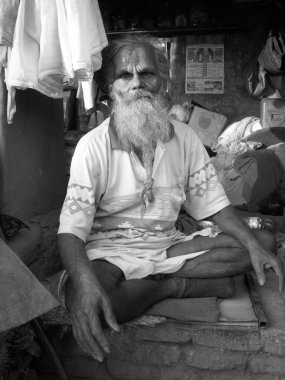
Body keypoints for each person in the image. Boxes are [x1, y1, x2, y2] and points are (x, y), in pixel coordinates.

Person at [57, 34, 284, 362]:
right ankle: (173, 285)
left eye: (147, 73)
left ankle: (159, 282)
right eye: (125, 75)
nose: (138, 83)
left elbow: (215, 207)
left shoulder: (186, 138)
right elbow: (70, 232)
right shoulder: (92, 147)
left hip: (169, 245)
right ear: (112, 87)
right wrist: (81, 281)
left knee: (262, 242)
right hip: (109, 253)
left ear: (162, 82)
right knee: (92, 299)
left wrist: (251, 245)